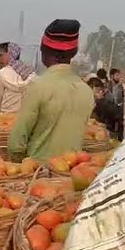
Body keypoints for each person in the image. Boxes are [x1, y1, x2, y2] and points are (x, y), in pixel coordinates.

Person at [8, 19, 94, 162]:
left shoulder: (37, 87)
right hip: (72, 173)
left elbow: (16, 143)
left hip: (40, 173)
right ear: (72, 53)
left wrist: (19, 165)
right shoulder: (86, 90)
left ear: (44, 52)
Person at [0, 42, 36, 114]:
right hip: (24, 117)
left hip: (5, 118)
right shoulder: (29, 73)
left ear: (10, 54)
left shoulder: (1, 73)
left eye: (0, 55)